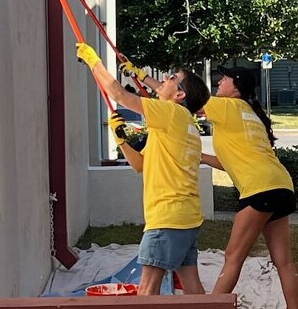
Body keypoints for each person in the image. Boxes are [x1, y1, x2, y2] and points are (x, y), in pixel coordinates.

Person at [76, 41, 210, 295]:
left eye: (172, 78)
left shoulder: (171, 114)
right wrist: (121, 140)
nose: (165, 80)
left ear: (180, 95)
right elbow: (140, 165)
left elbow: (119, 95)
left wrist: (94, 62)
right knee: (191, 286)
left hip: (168, 217)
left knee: (147, 289)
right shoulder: (176, 124)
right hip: (185, 217)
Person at [202, 67, 298, 309]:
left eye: (224, 78)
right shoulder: (251, 113)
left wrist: (147, 79)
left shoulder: (228, 106)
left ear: (236, 86)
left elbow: (187, 97)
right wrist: (199, 156)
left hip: (260, 188)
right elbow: (229, 162)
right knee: (284, 262)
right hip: (281, 184)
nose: (219, 81)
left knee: (232, 257)